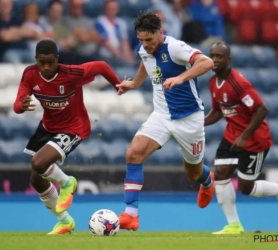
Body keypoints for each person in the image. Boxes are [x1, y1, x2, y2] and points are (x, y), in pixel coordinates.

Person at [115, 11, 215, 231]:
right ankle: (131, 214)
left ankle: (207, 181)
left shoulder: (175, 47)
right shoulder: (144, 49)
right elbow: (145, 62)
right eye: (141, 40)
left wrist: (181, 77)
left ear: (161, 32)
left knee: (193, 173)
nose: (145, 45)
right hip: (160, 115)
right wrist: (134, 84)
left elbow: (207, 62)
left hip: (189, 119)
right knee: (134, 153)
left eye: (149, 40)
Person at [13, 39, 121, 235]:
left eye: (50, 62)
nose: (46, 67)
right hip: (48, 127)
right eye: (41, 62)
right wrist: (22, 105)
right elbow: (17, 105)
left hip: (73, 127)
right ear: (36, 60)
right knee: (36, 179)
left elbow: (101, 66)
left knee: (38, 163)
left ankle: (66, 182)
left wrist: (118, 85)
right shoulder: (30, 74)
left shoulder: (71, 73)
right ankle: (65, 221)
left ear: (57, 60)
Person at [205, 41, 278, 235]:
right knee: (221, 174)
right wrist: (198, 123)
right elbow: (218, 111)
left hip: (254, 140)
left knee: (246, 188)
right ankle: (234, 226)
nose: (215, 59)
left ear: (229, 59)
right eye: (212, 55)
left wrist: (244, 136)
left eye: (219, 56)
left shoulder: (238, 83)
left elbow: (261, 109)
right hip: (232, 135)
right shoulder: (213, 82)